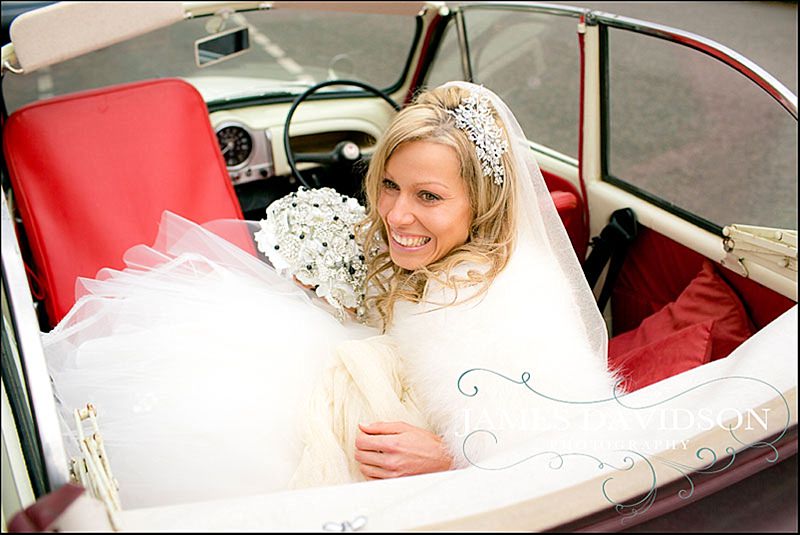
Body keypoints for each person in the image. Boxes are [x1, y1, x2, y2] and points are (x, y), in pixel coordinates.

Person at [42, 81, 618, 509]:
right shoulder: (434, 261)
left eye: (429, 197)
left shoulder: (519, 301)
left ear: (482, 205)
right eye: (389, 185)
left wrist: (451, 456)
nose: (396, 214)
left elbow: (567, 445)